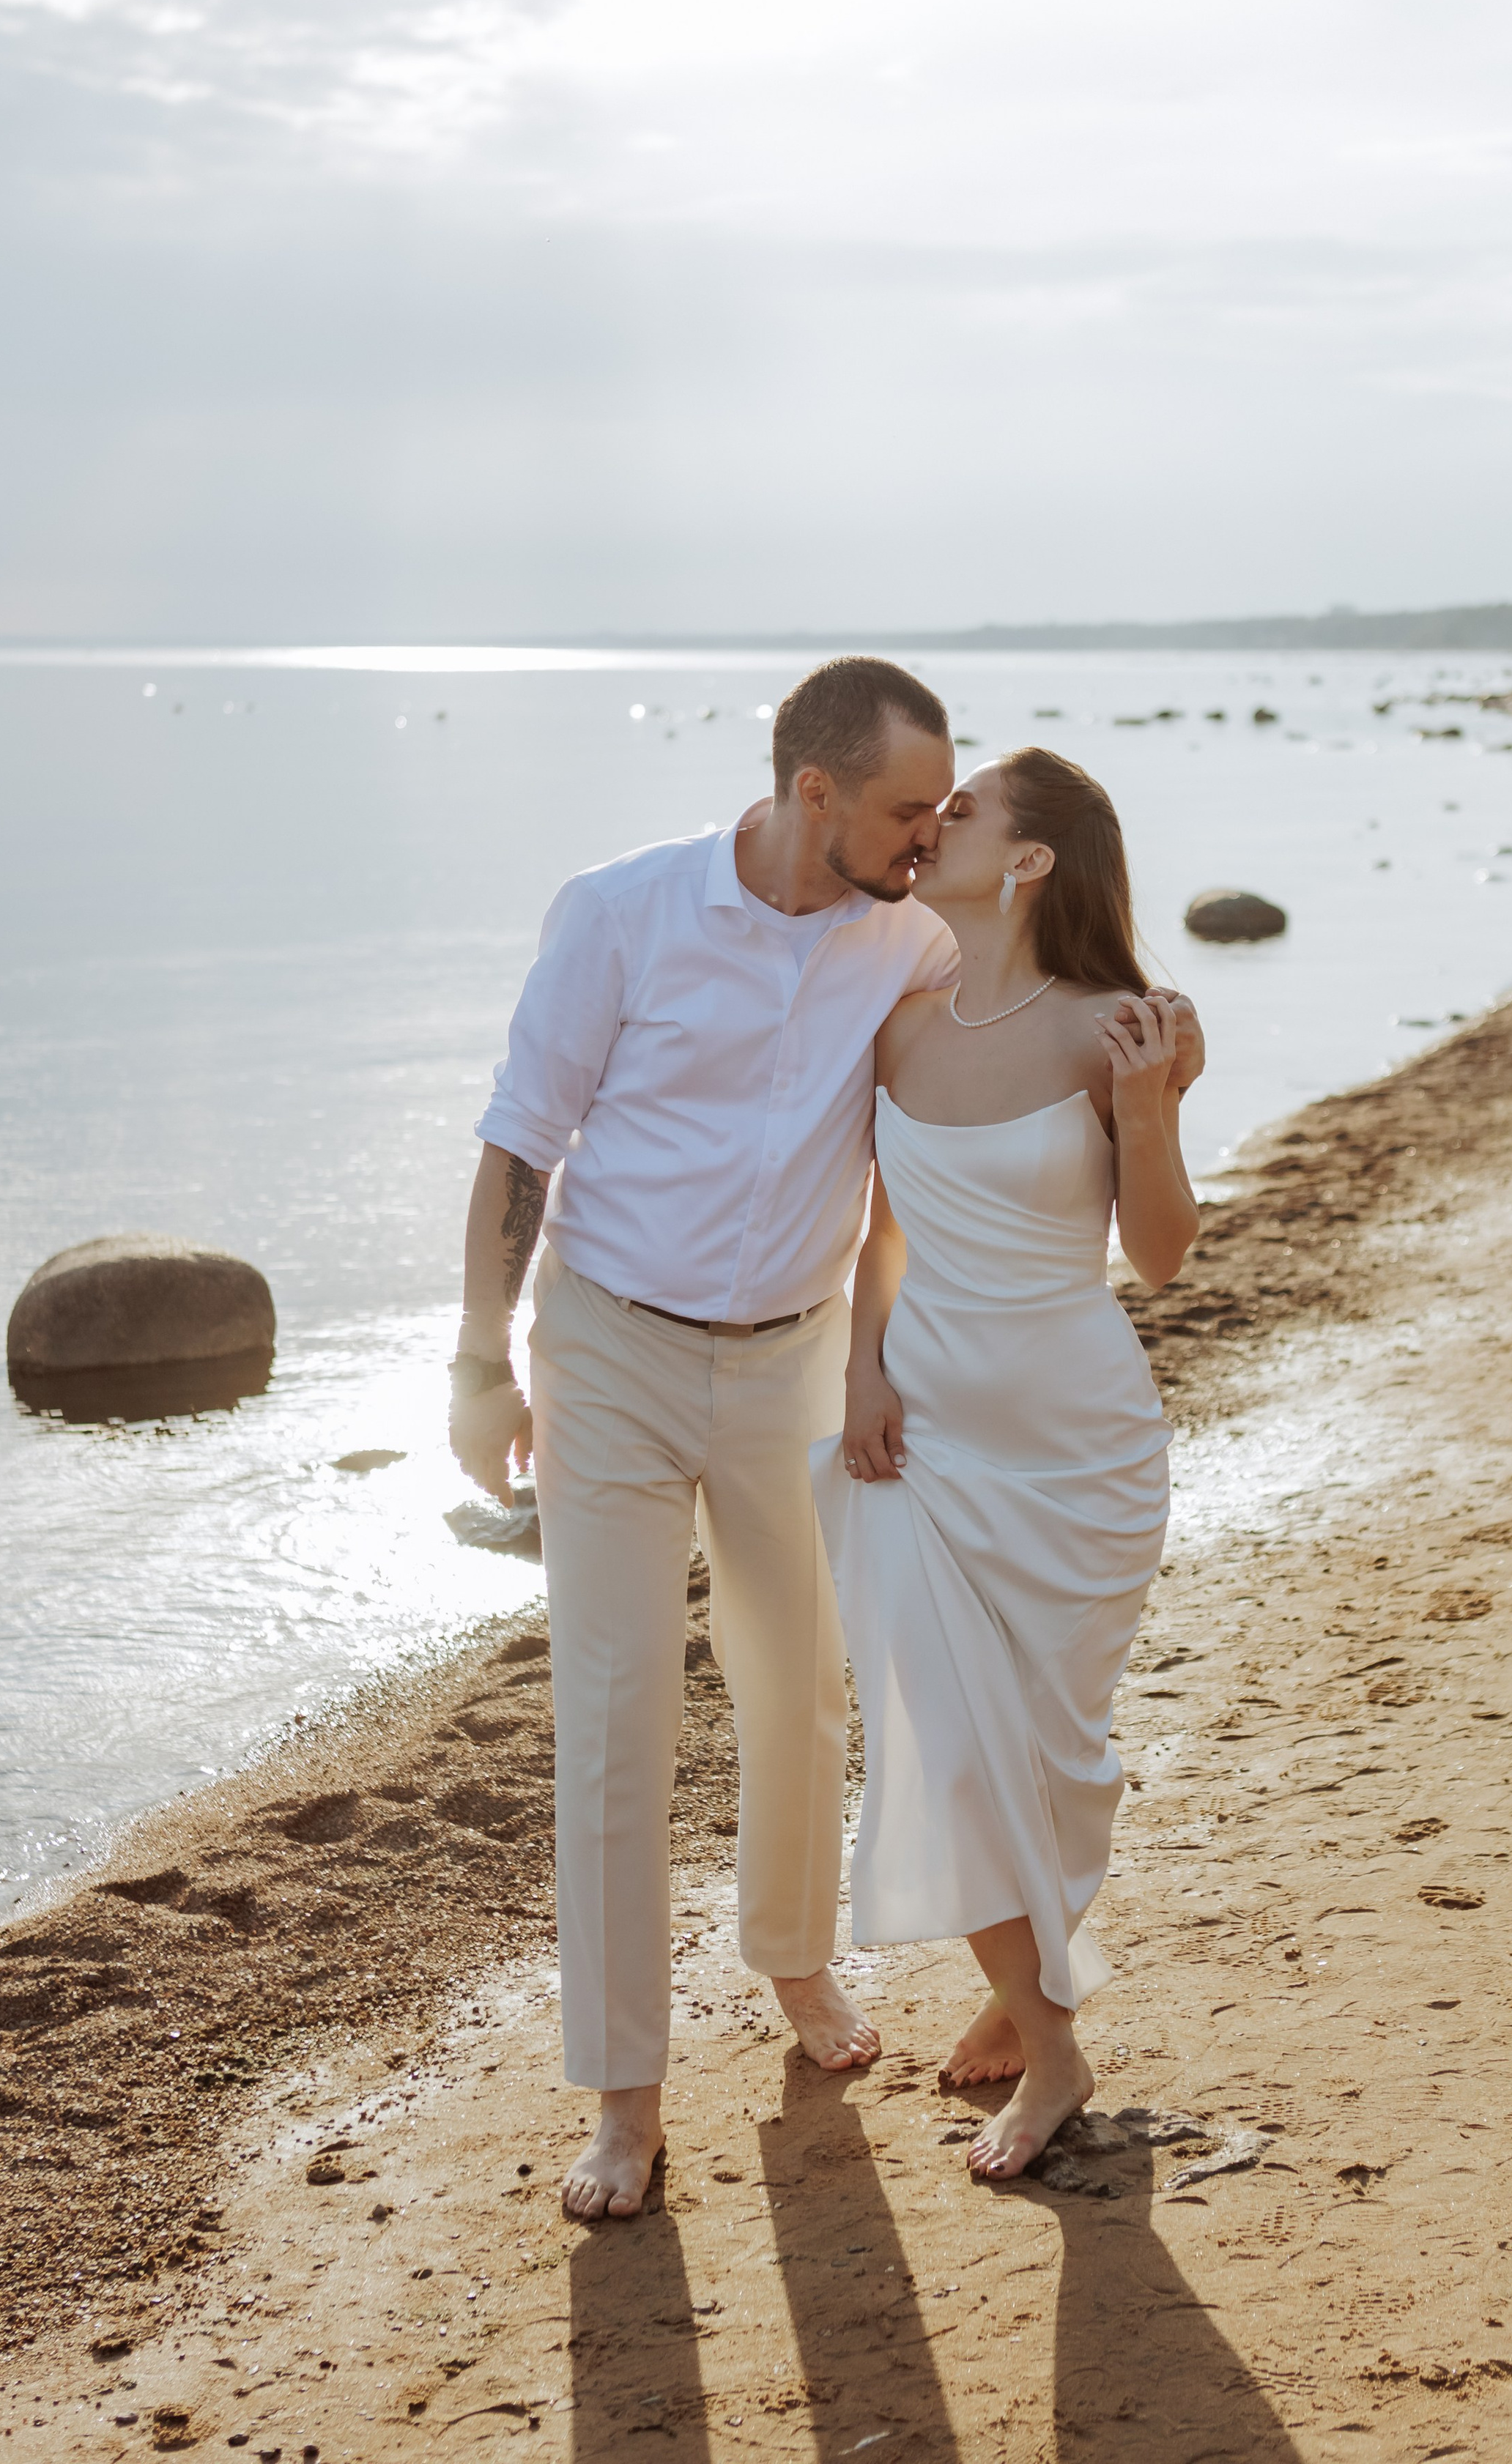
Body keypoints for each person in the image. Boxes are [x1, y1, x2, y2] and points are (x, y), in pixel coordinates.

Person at [448, 656, 960, 2223]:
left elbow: (930, 1136)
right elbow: (521, 1142)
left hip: (793, 1360)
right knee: (614, 1717)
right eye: (908, 808)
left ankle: (794, 1959)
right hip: (607, 1350)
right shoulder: (622, 913)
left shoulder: (913, 938)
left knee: (801, 1688)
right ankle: (625, 2094)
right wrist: (478, 1363)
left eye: (945, 809)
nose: (930, 836)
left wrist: (875, 1361)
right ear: (814, 792)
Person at [812, 745, 1200, 2181]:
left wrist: (1147, 1111)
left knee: (1056, 1758)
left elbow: (1160, 1258)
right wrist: (860, 1370)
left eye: (963, 810)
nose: (934, 824)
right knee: (954, 1755)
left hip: (1078, 1451)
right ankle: (1053, 2048)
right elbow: (883, 1233)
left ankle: (1022, 1975)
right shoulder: (900, 1029)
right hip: (922, 1447)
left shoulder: (1123, 1027)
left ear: (1030, 859)